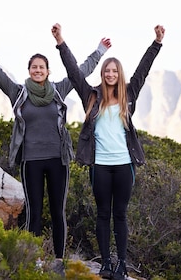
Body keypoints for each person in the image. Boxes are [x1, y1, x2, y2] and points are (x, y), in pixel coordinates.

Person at [0, 25, 111, 274]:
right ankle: (31, 258)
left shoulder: (59, 90)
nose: (37, 70)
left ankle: (58, 260)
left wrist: (99, 51)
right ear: (29, 71)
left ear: (47, 71)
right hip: (31, 160)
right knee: (34, 211)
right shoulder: (18, 92)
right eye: (34, 67)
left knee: (58, 211)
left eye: (41, 67)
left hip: (58, 160)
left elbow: (81, 71)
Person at [51, 22, 165, 280]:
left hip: (125, 165)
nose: (111, 74)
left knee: (120, 215)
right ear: (102, 74)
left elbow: (142, 71)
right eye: (107, 71)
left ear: (119, 74)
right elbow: (73, 71)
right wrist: (61, 42)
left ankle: (121, 265)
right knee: (103, 214)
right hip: (100, 165)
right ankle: (105, 264)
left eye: (114, 71)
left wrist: (156, 43)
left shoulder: (129, 95)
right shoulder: (90, 96)